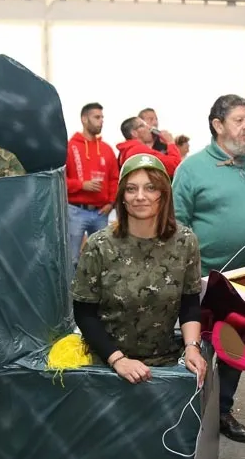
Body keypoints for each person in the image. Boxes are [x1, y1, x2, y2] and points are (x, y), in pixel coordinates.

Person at [173, 94, 245, 443]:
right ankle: (187, 414)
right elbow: (176, 224)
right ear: (217, 125)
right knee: (197, 347)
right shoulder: (191, 169)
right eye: (239, 120)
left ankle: (222, 411)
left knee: (236, 347)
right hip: (204, 282)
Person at [71, 154, 206, 384]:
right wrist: (118, 360)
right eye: (131, 189)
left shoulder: (185, 242)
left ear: (164, 194)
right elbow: (84, 313)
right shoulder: (99, 245)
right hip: (107, 364)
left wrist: (192, 347)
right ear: (122, 197)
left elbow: (190, 303)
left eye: (150, 188)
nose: (140, 196)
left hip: (165, 362)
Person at [66, 102, 118, 269]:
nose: (101, 121)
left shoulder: (107, 149)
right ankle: (72, 287)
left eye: (102, 117)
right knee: (72, 258)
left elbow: (115, 179)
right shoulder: (69, 147)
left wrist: (111, 203)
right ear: (84, 119)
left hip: (101, 212)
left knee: (102, 258)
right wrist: (82, 185)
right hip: (75, 211)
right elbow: (60, 180)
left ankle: (98, 287)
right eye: (97, 117)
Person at [117, 116, 182, 178]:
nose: (149, 127)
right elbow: (175, 166)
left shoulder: (128, 150)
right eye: (142, 125)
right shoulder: (138, 151)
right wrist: (170, 143)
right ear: (134, 133)